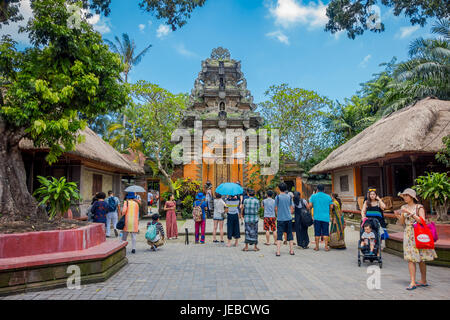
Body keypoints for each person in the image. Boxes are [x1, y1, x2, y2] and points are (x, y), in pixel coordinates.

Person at [394, 188, 437, 291]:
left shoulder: (419, 207)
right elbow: (402, 223)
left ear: (412, 197)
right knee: (410, 258)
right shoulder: (403, 207)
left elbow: (422, 221)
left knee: (421, 259)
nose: (404, 197)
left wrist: (410, 212)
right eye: (404, 196)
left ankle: (423, 280)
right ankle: (412, 281)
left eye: (406, 195)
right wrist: (398, 216)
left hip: (419, 233)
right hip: (408, 234)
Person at [307, 184, 333, 252]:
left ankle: (317, 247)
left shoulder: (313, 196)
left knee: (317, 233)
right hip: (326, 218)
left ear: (317, 190)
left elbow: (309, 206)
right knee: (326, 232)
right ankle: (326, 247)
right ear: (324, 190)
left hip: (317, 217)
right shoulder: (328, 197)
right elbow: (331, 207)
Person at [275, 183, 295, 256]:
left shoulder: (277, 197)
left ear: (279, 188)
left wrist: (278, 215)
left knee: (279, 234)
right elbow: (292, 208)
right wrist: (289, 213)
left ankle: (278, 251)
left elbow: (276, 208)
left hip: (280, 219)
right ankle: (292, 251)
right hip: (288, 218)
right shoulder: (289, 197)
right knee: (290, 234)